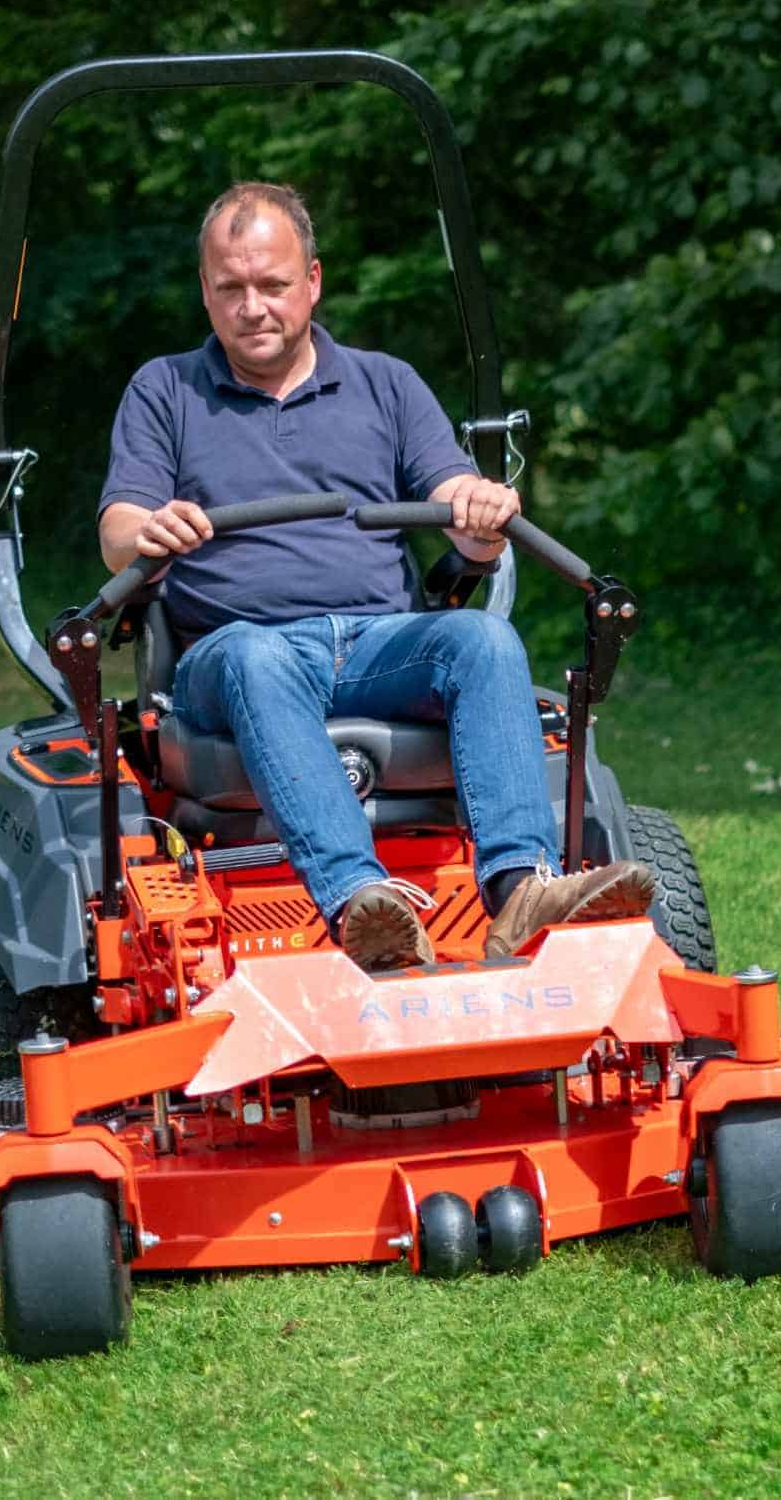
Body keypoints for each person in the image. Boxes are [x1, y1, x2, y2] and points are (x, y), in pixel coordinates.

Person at [98, 181, 653, 971]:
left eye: (272, 285)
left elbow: (456, 499)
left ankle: (519, 888)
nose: (253, 308)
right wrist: (147, 530)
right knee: (260, 657)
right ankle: (363, 902)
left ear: (312, 280)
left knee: (483, 639)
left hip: (376, 643)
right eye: (231, 288)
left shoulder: (384, 384)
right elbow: (118, 527)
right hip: (234, 653)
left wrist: (479, 512)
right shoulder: (166, 389)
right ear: (205, 290)